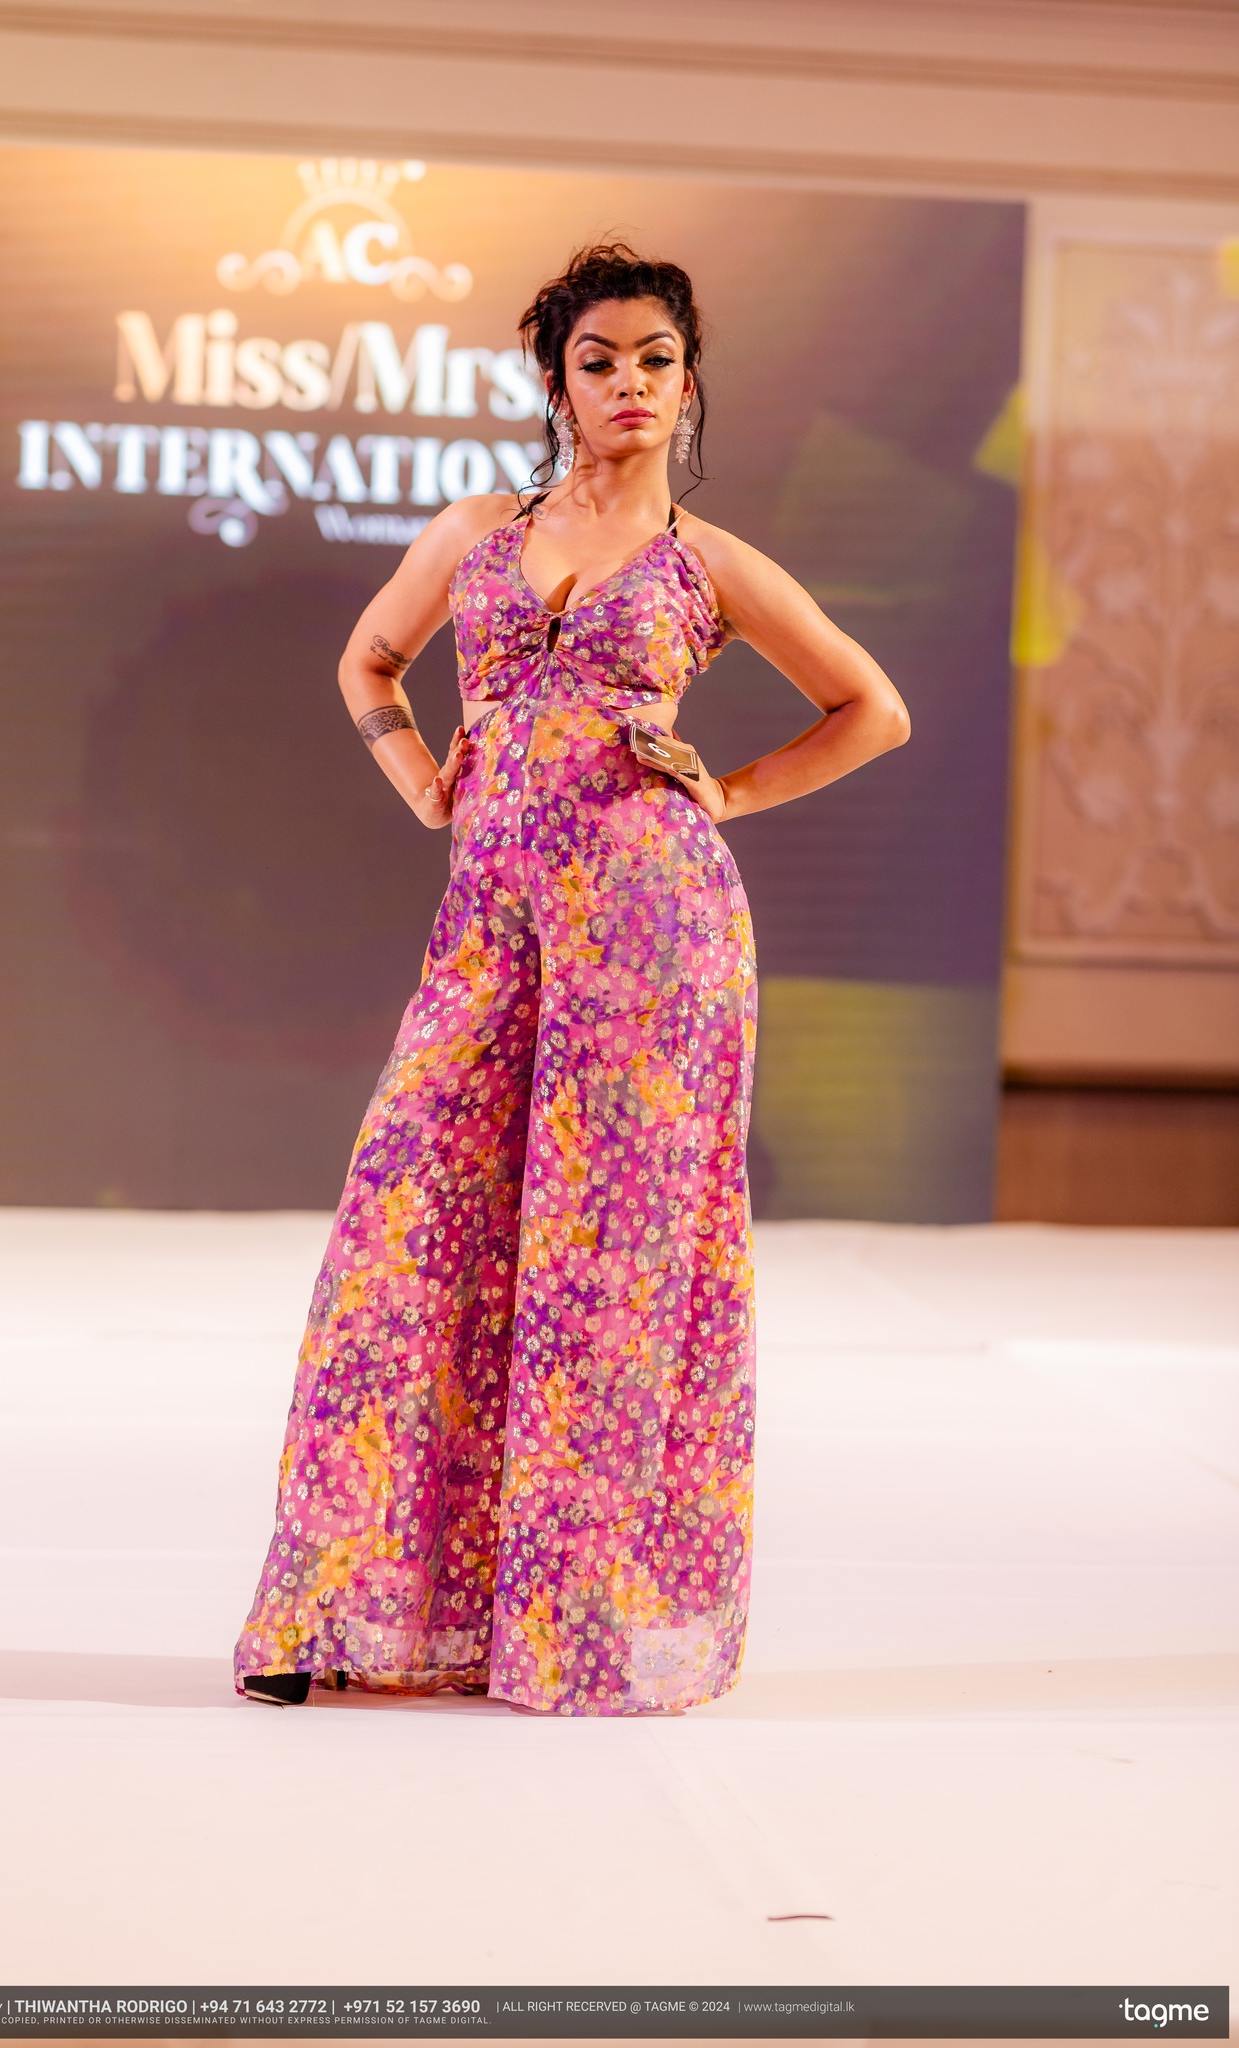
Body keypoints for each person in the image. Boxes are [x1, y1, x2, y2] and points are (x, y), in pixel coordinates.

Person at [233, 242, 909, 1717]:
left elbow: (874, 708)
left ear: (689, 382)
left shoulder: (709, 565)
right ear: (557, 383)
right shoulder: (477, 530)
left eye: (656, 360)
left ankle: (574, 1629)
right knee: (406, 1231)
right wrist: (422, 778)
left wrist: (729, 792)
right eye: (598, 361)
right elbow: (368, 662)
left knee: (608, 1268)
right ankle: (342, 1608)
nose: (629, 384)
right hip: (490, 933)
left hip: (656, 938)